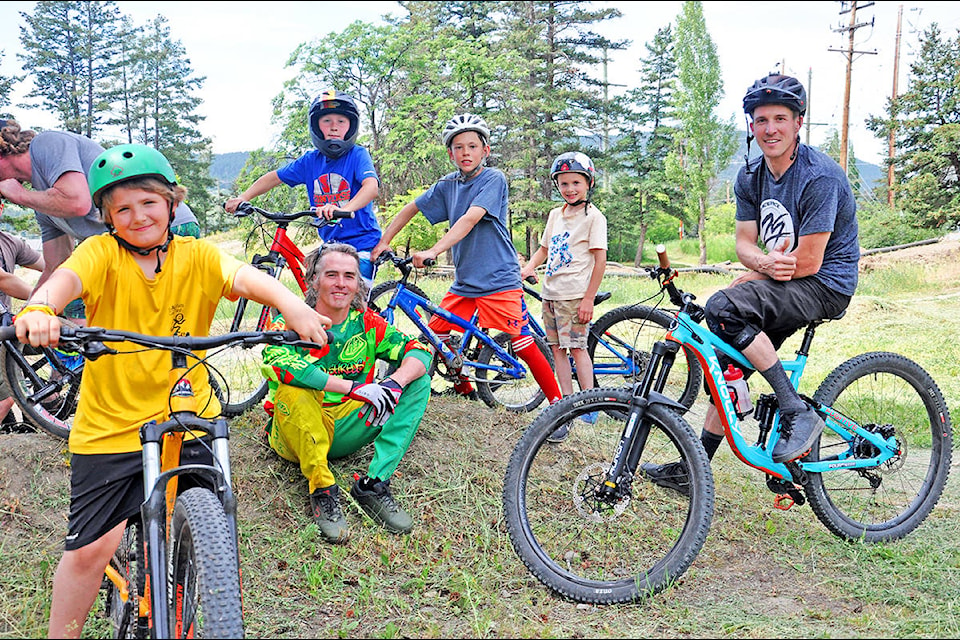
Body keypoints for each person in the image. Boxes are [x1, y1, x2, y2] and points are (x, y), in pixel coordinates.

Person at [11, 143, 329, 638]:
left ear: (171, 204)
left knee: (216, 529)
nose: (138, 217)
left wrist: (295, 306)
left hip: (189, 413)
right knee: (90, 551)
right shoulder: (100, 253)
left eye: (149, 203)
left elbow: (243, 277)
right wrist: (38, 309)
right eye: (122, 209)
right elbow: (63, 282)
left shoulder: (196, 254)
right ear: (108, 218)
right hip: (112, 426)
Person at [641, 73, 859, 495]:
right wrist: (759, 264)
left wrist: (757, 274)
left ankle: (796, 412)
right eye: (761, 120)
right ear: (751, 126)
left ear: (799, 123)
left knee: (724, 306)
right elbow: (744, 242)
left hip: (826, 282)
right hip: (787, 279)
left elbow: (811, 261)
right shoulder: (750, 176)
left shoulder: (821, 177)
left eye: (781, 118)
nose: (770, 129)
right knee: (726, 366)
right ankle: (695, 467)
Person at [371, 113, 562, 405]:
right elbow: (412, 207)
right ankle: (465, 391)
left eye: (472, 146)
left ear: (485, 151)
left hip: (499, 278)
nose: (466, 153)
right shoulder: (448, 184)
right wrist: (384, 241)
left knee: (522, 342)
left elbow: (470, 219)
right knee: (435, 335)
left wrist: (433, 251)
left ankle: (559, 406)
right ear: (450, 154)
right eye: (459, 147)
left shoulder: (493, 179)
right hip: (465, 283)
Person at [260, 242, 431, 544]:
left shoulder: (368, 324)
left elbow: (419, 352)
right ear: (314, 279)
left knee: (417, 382)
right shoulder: (289, 322)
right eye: (332, 275)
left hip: (350, 424)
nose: (341, 283)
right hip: (297, 433)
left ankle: (373, 485)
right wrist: (354, 387)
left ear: (358, 284)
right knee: (294, 388)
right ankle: (323, 490)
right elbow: (284, 366)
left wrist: (395, 382)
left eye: (349, 276)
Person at [0, 118, 201, 317]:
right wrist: (30, 310)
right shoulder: (41, 202)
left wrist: (19, 195)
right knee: (76, 305)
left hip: (165, 227)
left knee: (140, 323)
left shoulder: (47, 143)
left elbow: (78, 202)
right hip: (120, 245)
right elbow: (56, 265)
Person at [224, 89, 382, 288]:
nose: (334, 127)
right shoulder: (310, 161)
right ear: (316, 126)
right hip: (331, 245)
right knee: (317, 292)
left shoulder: (357, 155)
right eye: (327, 121)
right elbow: (274, 178)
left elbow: (371, 187)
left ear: (351, 126)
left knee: (348, 300)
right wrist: (243, 197)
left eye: (341, 121)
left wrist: (346, 208)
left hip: (362, 244)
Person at [520, 151, 607, 442]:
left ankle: (589, 403)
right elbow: (545, 249)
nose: (569, 189)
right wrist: (528, 267)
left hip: (574, 295)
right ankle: (565, 403)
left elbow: (600, 261)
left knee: (578, 348)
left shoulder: (594, 217)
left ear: (588, 183)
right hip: (551, 293)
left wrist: (588, 299)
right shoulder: (555, 215)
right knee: (557, 349)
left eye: (575, 183)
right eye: (563, 184)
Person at [0, 227, 45, 432]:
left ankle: (50, 396)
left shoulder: (10, 242)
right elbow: (5, 280)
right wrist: (47, 301)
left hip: (5, 323)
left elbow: (51, 266)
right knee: (8, 393)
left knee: (57, 342)